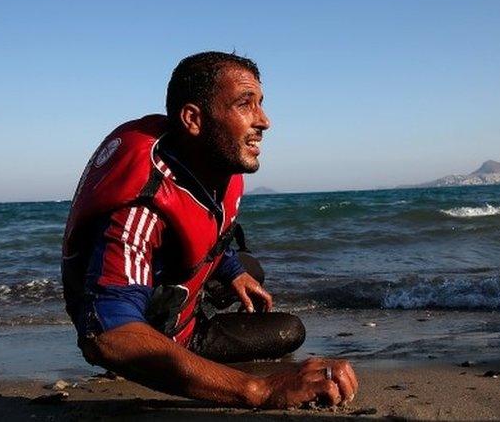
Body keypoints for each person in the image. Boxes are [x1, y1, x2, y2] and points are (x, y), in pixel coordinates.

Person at [60, 51, 358, 408]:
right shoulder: (142, 204)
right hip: (160, 333)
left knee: (254, 274)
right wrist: (260, 390)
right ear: (193, 119)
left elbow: (211, 228)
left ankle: (211, 303)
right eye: (245, 104)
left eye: (261, 103)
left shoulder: (216, 165)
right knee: (287, 332)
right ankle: (169, 353)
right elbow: (108, 334)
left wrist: (233, 272)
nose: (264, 121)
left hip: (181, 296)